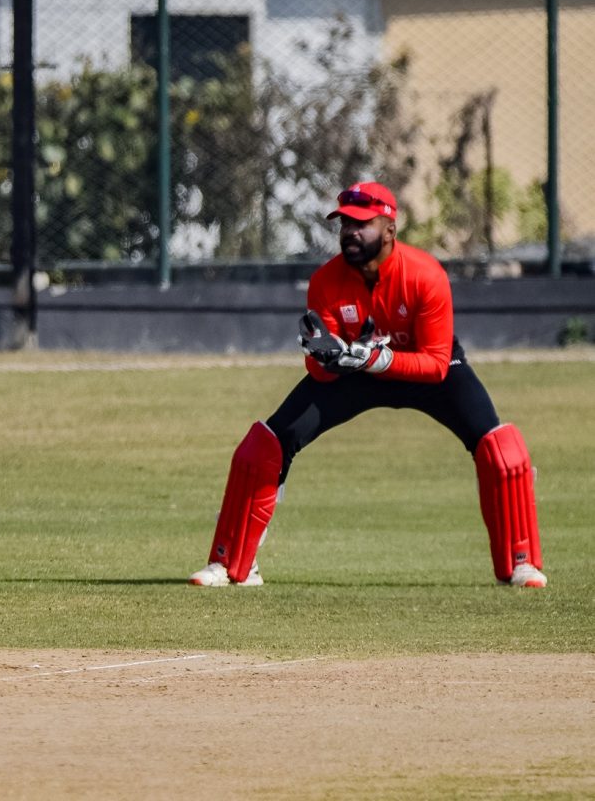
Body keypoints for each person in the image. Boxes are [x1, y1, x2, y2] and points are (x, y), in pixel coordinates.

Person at [189, 181, 548, 589]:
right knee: (265, 445)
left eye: (362, 224)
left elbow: (435, 366)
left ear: (390, 230)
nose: (350, 232)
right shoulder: (326, 280)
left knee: (501, 449)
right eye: (344, 223)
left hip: (424, 370)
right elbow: (321, 371)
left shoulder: (426, 275)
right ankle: (232, 565)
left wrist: (376, 358)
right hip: (355, 374)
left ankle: (521, 564)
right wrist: (327, 359)